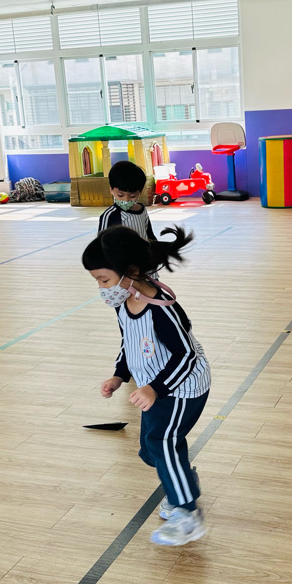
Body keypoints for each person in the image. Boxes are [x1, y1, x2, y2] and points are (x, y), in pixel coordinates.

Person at [82, 224, 210, 546]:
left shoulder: (162, 310)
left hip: (182, 387)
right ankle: (184, 480)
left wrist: (154, 388)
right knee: (150, 451)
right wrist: (119, 375)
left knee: (162, 441)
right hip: (155, 388)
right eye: (97, 281)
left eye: (104, 280)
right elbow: (130, 341)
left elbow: (186, 355)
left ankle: (188, 514)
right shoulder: (124, 301)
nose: (101, 288)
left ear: (132, 272)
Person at [98, 161, 156, 241]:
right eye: (120, 195)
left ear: (140, 192)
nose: (126, 200)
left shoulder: (142, 210)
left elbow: (150, 236)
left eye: (132, 196)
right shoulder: (110, 215)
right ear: (111, 190)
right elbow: (101, 243)